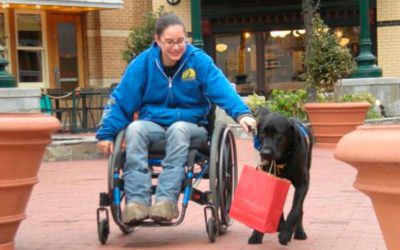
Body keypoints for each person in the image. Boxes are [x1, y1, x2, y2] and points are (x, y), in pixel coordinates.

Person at [96, 13, 256, 224]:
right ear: (157, 40)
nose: (176, 47)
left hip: (191, 125)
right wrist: (106, 134)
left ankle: (166, 201)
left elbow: (221, 88)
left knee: (178, 129)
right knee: (134, 129)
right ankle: (136, 203)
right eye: (169, 42)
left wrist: (242, 113)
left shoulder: (198, 61)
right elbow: (122, 97)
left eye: (181, 41)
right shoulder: (144, 63)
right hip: (153, 123)